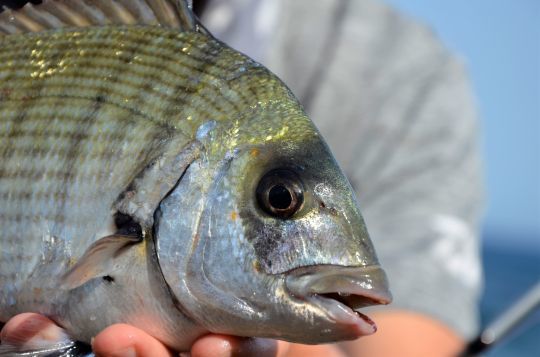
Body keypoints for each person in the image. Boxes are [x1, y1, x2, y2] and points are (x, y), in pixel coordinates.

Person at [1, 0, 484, 356]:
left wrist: (296, 352)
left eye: (278, 198)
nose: (281, 202)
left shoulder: (398, 72)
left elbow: (412, 339)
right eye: (280, 200)